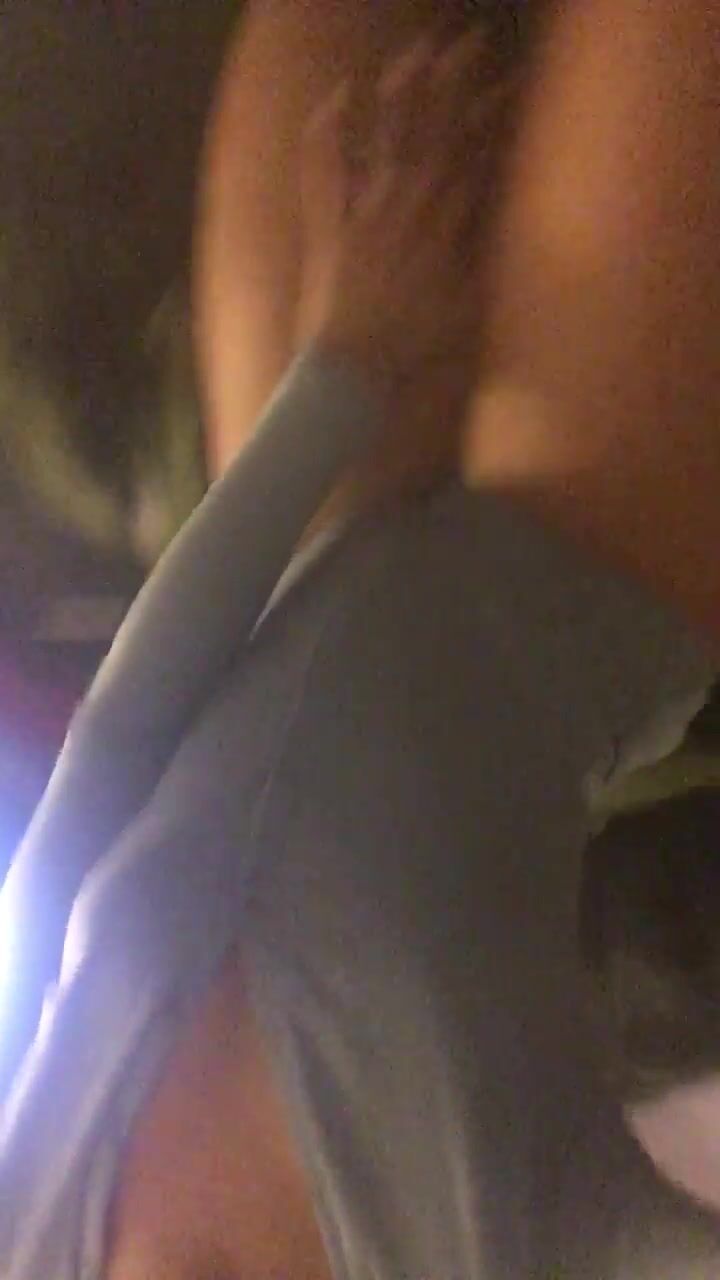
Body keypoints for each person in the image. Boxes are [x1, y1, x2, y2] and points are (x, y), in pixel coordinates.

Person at [0, 10, 718, 1280]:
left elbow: (116, 747)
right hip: (571, 565)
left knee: (353, 97)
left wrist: (343, 367)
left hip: (323, 510)